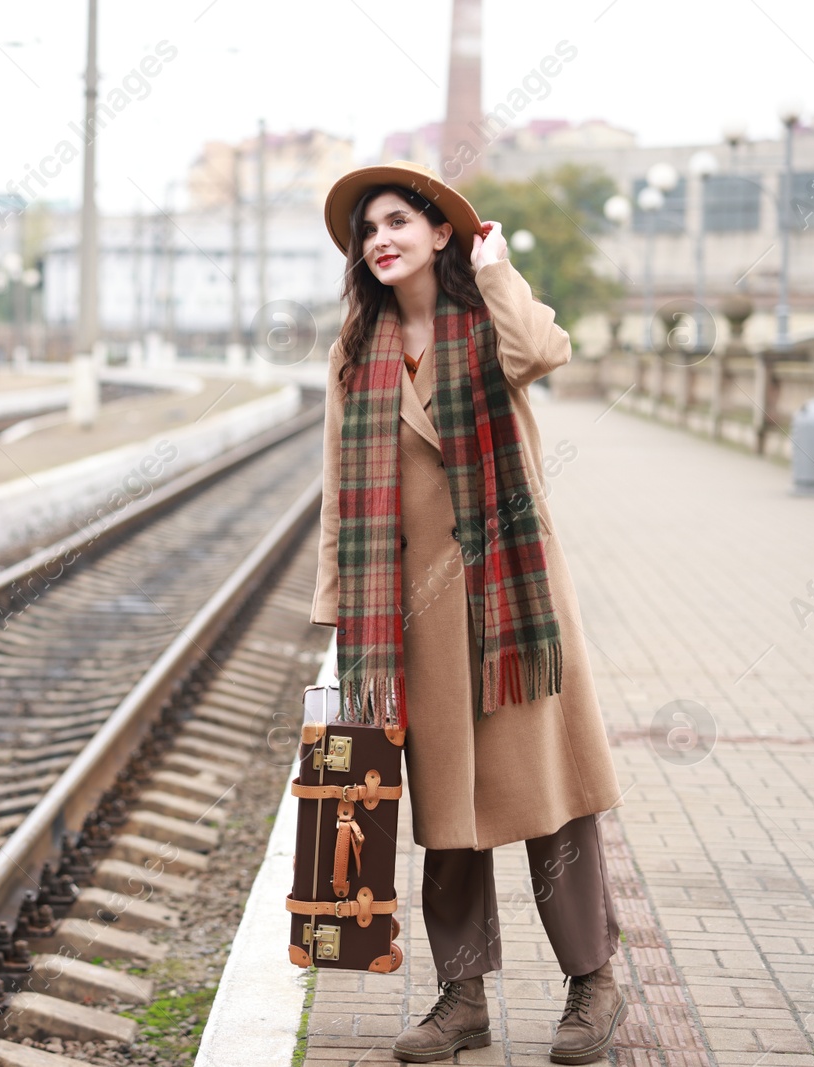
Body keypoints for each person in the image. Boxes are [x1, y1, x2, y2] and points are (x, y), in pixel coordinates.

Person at [310, 161, 627, 1066]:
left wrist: (497, 268)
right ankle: (463, 999)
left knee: (552, 797)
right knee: (445, 807)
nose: (381, 238)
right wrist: (341, 614)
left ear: (440, 232)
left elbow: (545, 351)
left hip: (511, 596)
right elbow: (341, 490)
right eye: (368, 228)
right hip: (408, 615)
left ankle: (592, 981)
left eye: (399, 220)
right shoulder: (355, 352)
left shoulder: (487, 320)